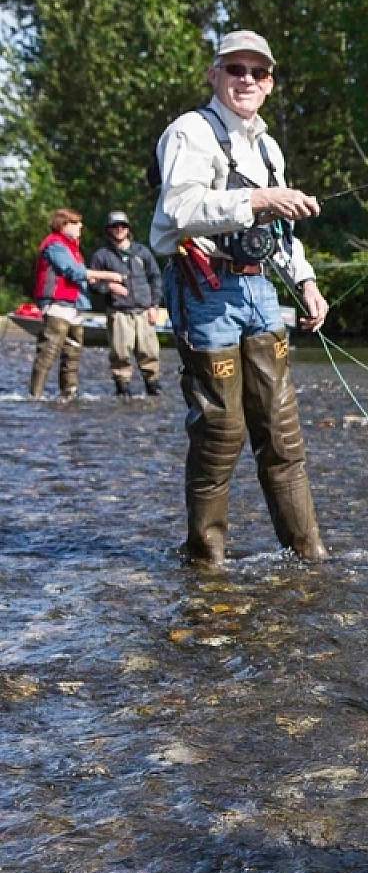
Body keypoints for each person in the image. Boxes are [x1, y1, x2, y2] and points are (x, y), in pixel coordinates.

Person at [150, 29, 328, 564]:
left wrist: (307, 283)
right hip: (202, 286)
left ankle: (307, 554)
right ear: (214, 75)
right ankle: (207, 560)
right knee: (221, 430)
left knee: (281, 431)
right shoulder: (189, 132)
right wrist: (259, 198)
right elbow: (178, 210)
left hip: (261, 288)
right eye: (235, 69)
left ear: (270, 84)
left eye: (258, 72)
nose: (246, 79)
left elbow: (281, 234)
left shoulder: (268, 146)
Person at [29, 208, 124, 400]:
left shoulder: (71, 247)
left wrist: (103, 282)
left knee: (72, 354)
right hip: (57, 306)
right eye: (76, 223)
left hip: (74, 307)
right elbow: (73, 271)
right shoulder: (55, 245)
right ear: (64, 225)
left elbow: (82, 276)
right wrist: (108, 275)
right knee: (48, 352)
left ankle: (69, 394)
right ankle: (35, 395)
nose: (81, 226)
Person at [89, 210, 165, 397]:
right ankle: (122, 387)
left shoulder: (142, 252)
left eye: (122, 226)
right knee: (120, 354)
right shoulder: (101, 255)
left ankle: (153, 385)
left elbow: (156, 278)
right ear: (109, 230)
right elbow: (92, 284)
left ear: (128, 229)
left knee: (150, 352)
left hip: (144, 311)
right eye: (115, 226)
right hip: (119, 312)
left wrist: (154, 305)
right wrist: (109, 287)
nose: (119, 229)